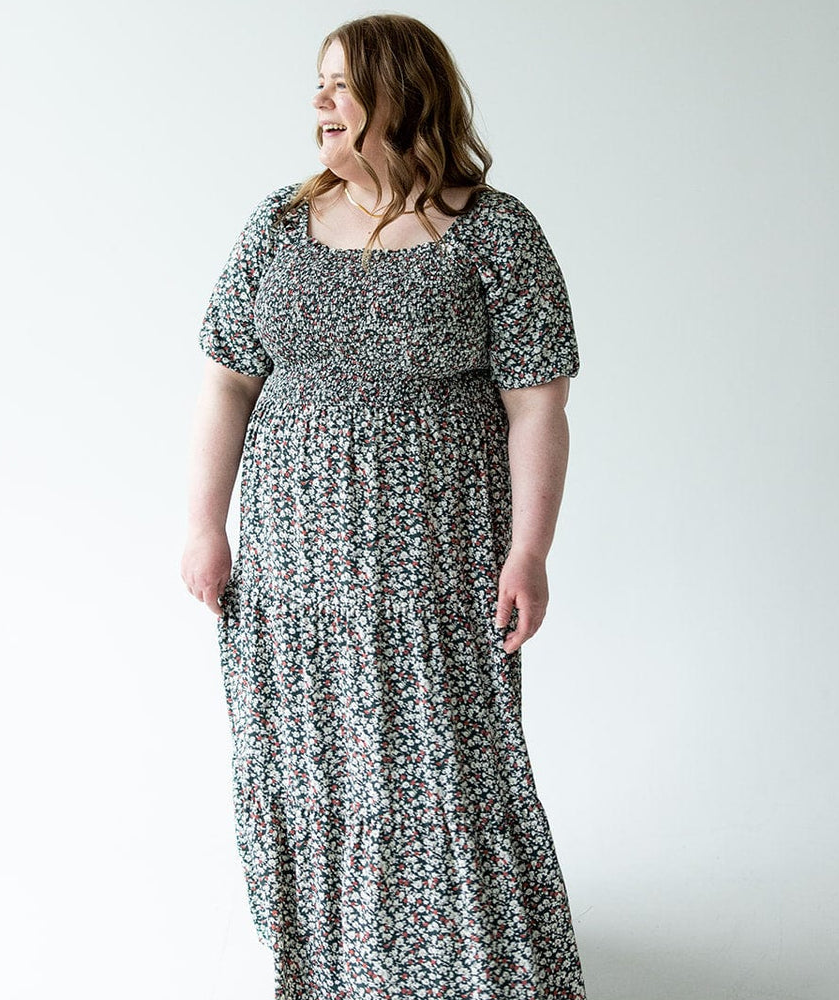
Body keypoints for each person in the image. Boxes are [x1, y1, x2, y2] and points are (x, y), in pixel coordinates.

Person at [181, 12, 588, 1000]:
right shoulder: (279, 223)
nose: (319, 102)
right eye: (318, 83)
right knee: (311, 755)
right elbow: (229, 378)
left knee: (442, 756)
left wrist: (528, 552)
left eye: (341, 85)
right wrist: (204, 522)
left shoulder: (495, 235)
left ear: (400, 96)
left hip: (435, 561)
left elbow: (538, 407)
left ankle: (475, 968)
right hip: (289, 563)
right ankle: (333, 966)